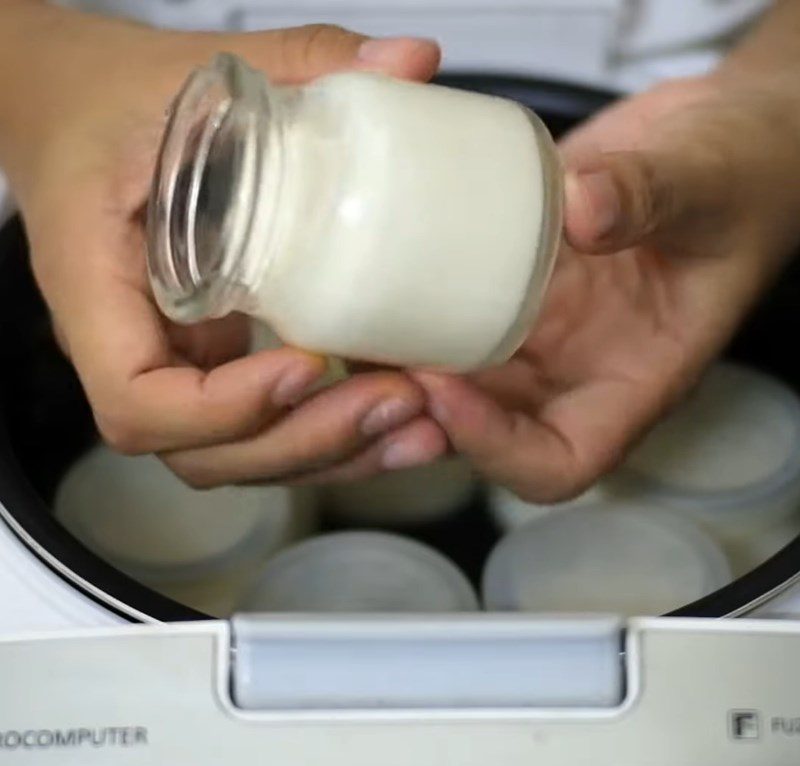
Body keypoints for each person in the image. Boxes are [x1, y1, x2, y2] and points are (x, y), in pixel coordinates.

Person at [0, 0, 798, 504]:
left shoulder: (351, 124)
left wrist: (776, 108)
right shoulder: (310, 288)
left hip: (704, 61)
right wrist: (38, 80)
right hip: (117, 92)